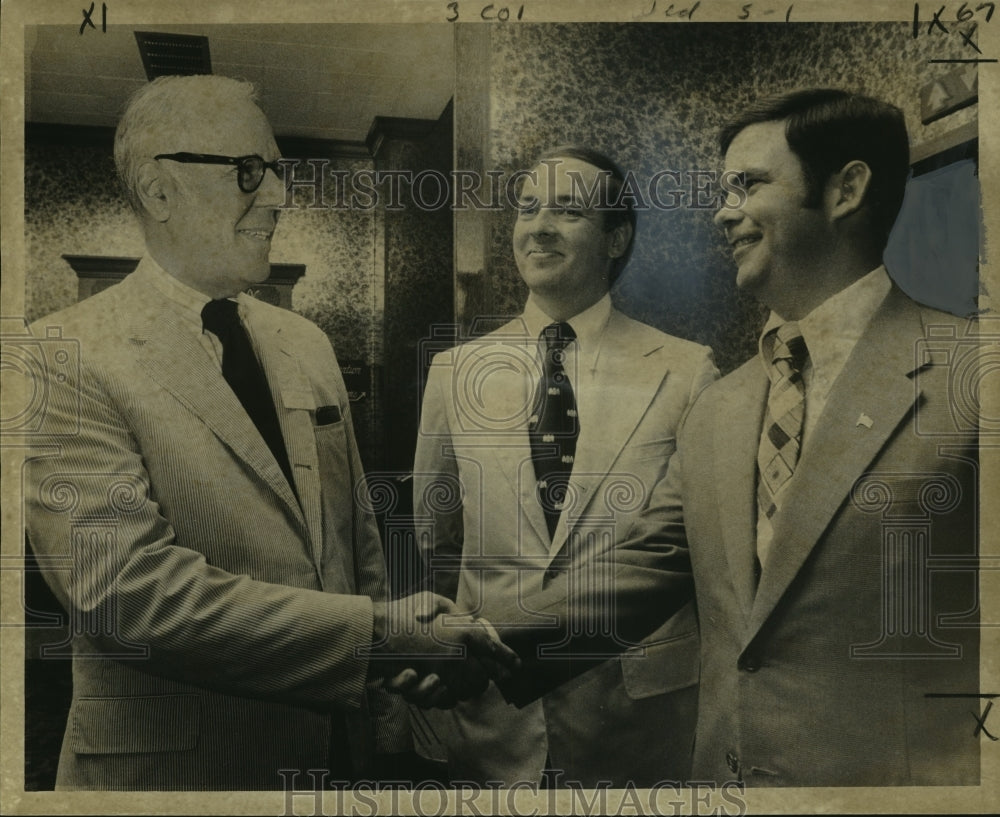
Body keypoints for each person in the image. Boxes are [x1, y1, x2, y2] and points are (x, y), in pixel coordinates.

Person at [23, 74, 514, 791]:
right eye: (250, 171)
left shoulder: (304, 341)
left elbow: (357, 546)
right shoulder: (57, 352)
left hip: (335, 765)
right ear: (160, 192)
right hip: (175, 778)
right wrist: (382, 635)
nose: (281, 196)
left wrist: (397, 676)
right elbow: (128, 593)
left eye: (279, 171)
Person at [627, 88, 980, 786]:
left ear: (846, 189)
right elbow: (641, 568)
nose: (723, 212)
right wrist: (468, 637)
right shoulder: (718, 407)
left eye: (748, 184)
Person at [411, 145, 718, 786]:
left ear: (616, 238)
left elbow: (693, 552)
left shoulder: (686, 371)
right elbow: (435, 541)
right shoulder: (455, 371)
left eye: (569, 210)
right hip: (491, 719)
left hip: (637, 715)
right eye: (528, 209)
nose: (539, 226)